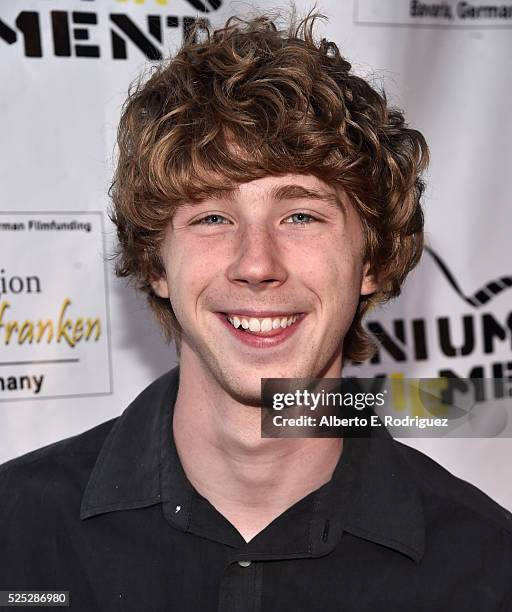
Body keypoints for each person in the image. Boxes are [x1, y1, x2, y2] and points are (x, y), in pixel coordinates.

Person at [1, 11, 511, 611]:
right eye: (212, 216)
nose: (256, 263)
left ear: (371, 259)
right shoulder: (17, 532)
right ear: (158, 264)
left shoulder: (486, 568)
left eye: (301, 215)